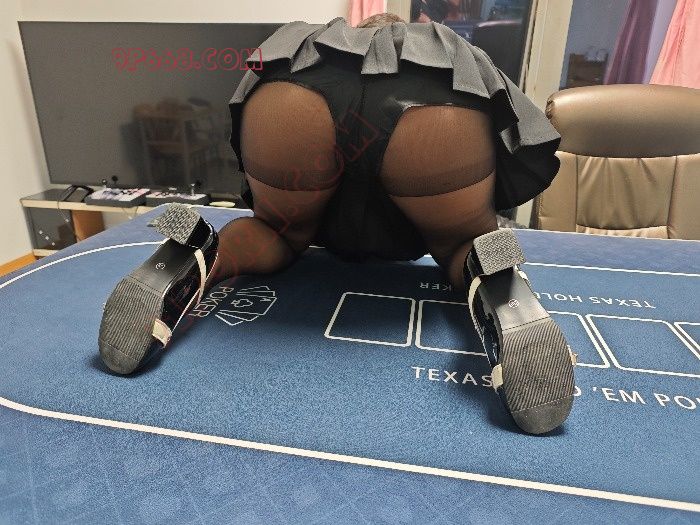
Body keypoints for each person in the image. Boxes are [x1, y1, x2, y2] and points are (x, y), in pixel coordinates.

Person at [98, 13, 576, 434]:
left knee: (274, 229)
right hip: (435, 95)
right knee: (462, 243)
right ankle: (500, 283)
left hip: (294, 89)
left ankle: (195, 249)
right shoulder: (439, 54)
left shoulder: (309, 47)